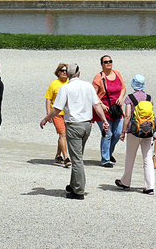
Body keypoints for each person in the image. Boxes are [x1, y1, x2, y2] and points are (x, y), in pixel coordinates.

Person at [41, 63, 108, 200]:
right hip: (87, 126)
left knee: (77, 159)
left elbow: (56, 108)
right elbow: (96, 105)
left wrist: (46, 118)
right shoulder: (88, 86)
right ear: (78, 73)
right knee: (77, 155)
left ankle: (78, 190)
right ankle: (73, 185)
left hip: (74, 126)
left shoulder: (65, 88)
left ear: (69, 75)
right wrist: (104, 120)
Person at [115, 74, 156, 195]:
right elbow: (151, 116)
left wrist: (123, 132)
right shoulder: (149, 98)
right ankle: (150, 186)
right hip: (147, 131)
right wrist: (153, 132)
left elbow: (127, 116)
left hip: (134, 131)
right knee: (147, 159)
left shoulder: (130, 98)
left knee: (130, 157)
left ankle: (126, 183)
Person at [92, 55, 126, 167]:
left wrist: (121, 97)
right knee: (107, 134)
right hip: (103, 111)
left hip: (116, 110)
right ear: (102, 64)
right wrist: (101, 104)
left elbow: (123, 88)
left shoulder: (117, 73)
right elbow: (93, 94)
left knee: (117, 133)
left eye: (110, 61)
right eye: (106, 62)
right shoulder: (99, 77)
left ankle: (109, 153)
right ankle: (105, 159)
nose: (108, 63)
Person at [43, 63, 70, 167]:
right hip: (56, 113)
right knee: (63, 134)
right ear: (58, 72)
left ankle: (58, 155)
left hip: (68, 113)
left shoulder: (70, 83)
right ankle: (66, 157)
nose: (64, 72)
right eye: (62, 70)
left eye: (66, 70)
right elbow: (48, 98)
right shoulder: (54, 84)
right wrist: (48, 113)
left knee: (63, 135)